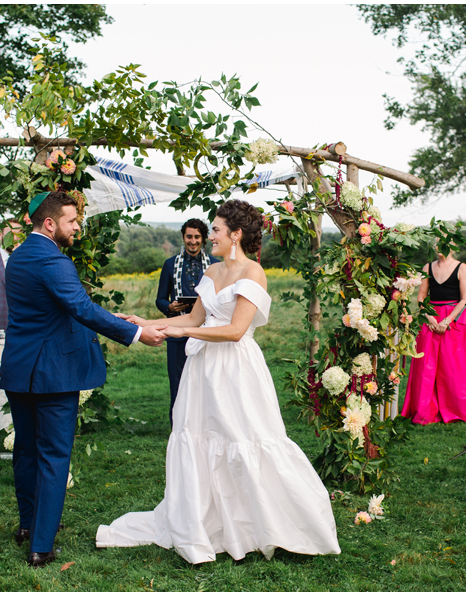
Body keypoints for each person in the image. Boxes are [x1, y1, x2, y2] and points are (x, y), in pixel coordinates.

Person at [96, 199, 340, 564]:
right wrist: (143, 323)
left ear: (236, 235)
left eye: (216, 230)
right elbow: (194, 321)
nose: (210, 236)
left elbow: (236, 330)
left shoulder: (253, 272)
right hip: (202, 372)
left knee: (244, 439)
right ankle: (208, 523)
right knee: (199, 440)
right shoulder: (210, 274)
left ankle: (266, 524)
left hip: (235, 370)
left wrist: (181, 336)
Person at [0, 191, 167, 567]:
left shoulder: (20, 256)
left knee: (26, 450)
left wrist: (115, 319)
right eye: (72, 221)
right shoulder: (53, 261)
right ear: (50, 223)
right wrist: (137, 334)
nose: (78, 227)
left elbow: (58, 309)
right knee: (55, 454)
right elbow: (80, 307)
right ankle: (41, 545)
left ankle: (28, 525)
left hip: (20, 368)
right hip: (52, 373)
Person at [400, 247, 466, 424]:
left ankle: (459, 408)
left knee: (456, 366)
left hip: (455, 320)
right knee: (427, 367)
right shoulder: (428, 268)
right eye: (437, 243)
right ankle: (427, 410)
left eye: (444, 242)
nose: (440, 247)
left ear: (453, 246)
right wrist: (430, 318)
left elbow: (465, 298)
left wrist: (447, 320)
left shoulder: (461, 267)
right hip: (431, 319)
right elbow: (421, 297)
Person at [155, 218, 218, 426]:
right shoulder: (170, 264)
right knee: (178, 382)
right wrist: (169, 307)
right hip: (177, 331)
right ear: (183, 237)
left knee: (207, 382)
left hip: (207, 331)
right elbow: (160, 299)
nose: (193, 241)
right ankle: (178, 427)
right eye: (189, 236)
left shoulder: (216, 266)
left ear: (204, 239)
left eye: (197, 237)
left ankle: (205, 426)